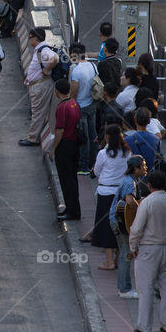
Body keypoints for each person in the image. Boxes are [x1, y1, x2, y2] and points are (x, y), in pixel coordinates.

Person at [129, 170, 166, 332]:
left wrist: (133, 247)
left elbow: (137, 228)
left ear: (149, 185)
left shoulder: (147, 203)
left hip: (148, 247)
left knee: (145, 288)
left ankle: (144, 326)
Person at [91, 125, 131, 269]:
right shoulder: (127, 153)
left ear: (107, 137)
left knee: (105, 228)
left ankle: (109, 262)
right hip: (120, 193)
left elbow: (96, 171)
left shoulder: (103, 153)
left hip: (106, 192)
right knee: (120, 227)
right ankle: (117, 260)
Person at [111, 155, 145, 299]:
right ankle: (124, 289)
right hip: (120, 221)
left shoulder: (131, 180)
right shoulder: (130, 183)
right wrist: (142, 212)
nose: (145, 168)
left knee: (125, 253)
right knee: (126, 254)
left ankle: (123, 287)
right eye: (142, 166)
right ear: (135, 168)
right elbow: (130, 201)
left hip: (119, 220)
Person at [19, 27, 57, 147]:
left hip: (41, 86)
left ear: (35, 38)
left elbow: (55, 58)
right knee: (38, 112)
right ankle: (34, 136)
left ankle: (32, 138)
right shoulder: (40, 50)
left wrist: (46, 69)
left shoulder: (43, 51)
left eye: (30, 38)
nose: (29, 41)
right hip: (38, 85)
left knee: (37, 112)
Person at [50, 79, 81, 221]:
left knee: (66, 180)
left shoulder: (61, 108)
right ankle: (71, 208)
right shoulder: (74, 104)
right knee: (71, 179)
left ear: (57, 91)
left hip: (65, 146)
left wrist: (52, 149)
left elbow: (60, 131)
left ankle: (72, 211)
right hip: (74, 144)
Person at [68, 42, 98, 174]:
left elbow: (73, 92)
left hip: (81, 107)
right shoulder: (93, 66)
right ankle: (94, 163)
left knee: (83, 137)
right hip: (92, 104)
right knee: (93, 136)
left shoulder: (77, 70)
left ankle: (83, 166)